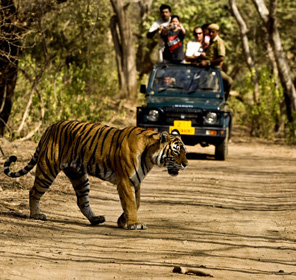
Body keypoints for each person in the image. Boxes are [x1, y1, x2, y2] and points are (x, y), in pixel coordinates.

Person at [197, 23, 233, 99]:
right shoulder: (211, 42)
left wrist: (208, 63)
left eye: (213, 32)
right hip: (207, 69)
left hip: (215, 69)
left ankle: (224, 100)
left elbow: (221, 58)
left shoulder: (219, 42)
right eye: (209, 32)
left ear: (217, 32)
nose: (211, 33)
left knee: (229, 82)